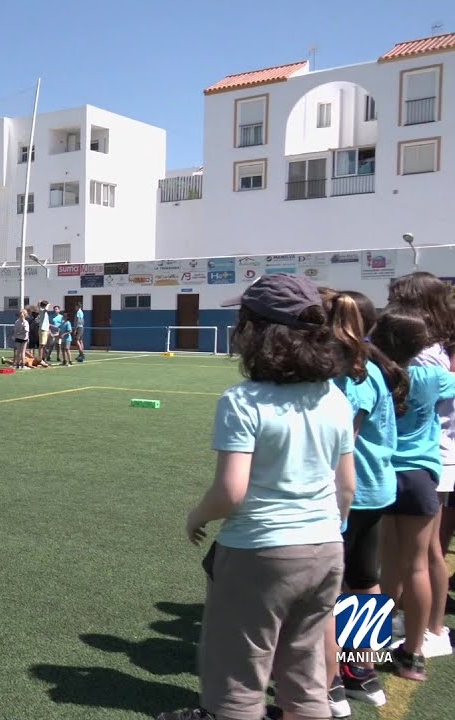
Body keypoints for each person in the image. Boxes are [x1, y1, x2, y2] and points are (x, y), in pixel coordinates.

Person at [159, 273, 354, 720]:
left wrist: (195, 517)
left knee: (239, 682)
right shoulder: (333, 397)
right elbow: (348, 487)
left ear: (256, 331)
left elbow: (231, 490)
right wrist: (324, 529)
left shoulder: (243, 401)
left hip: (260, 552)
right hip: (326, 550)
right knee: (306, 679)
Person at [323, 290, 399, 710]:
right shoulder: (368, 367)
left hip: (350, 495)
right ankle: (362, 674)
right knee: (365, 580)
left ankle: (335, 680)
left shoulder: (351, 376)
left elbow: (341, 449)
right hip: (375, 488)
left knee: (333, 588)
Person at [370, 306, 453, 681]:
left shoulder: (372, 374)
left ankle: (362, 657)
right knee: (417, 564)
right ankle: (413, 654)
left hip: (380, 476)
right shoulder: (435, 377)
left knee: (373, 566)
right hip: (421, 479)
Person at [387, 271, 455, 660]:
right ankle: (418, 633)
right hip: (427, 463)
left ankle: (429, 630)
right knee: (410, 555)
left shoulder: (421, 359)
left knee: (420, 554)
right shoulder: (434, 361)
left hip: (424, 461)